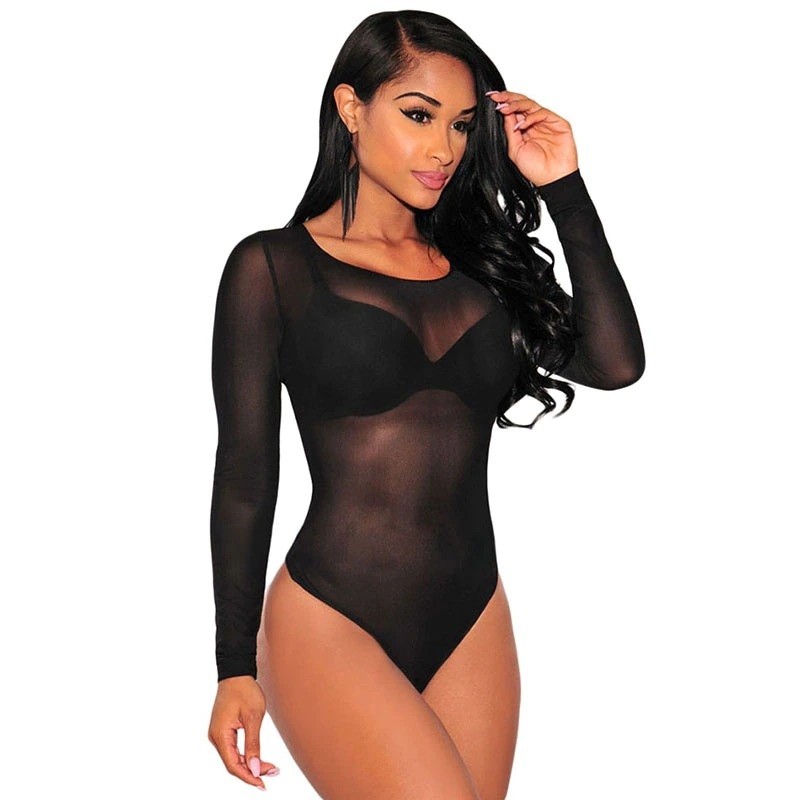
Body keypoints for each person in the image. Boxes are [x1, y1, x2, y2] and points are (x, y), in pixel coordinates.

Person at [206, 9, 645, 799]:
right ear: (351, 108)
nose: (444, 149)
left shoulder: (481, 271)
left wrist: (564, 187)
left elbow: (615, 364)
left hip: (473, 617)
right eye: (418, 115)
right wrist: (233, 665)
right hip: (330, 614)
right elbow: (244, 475)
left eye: (462, 125)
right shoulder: (272, 268)